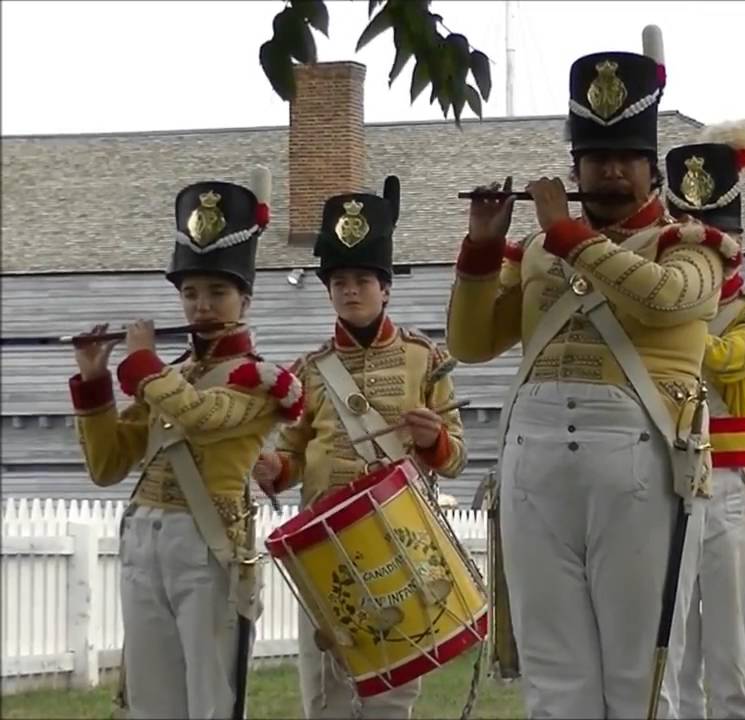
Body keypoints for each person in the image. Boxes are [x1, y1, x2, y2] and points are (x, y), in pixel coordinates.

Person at [447, 25, 740, 719]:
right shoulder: (539, 249)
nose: (610, 172)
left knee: (641, 680)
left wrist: (569, 236)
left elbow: (667, 296)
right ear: (574, 166)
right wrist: (482, 252)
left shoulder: (691, 245)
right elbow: (470, 341)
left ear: (652, 167)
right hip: (535, 456)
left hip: (638, 455)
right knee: (557, 682)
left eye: (626, 158)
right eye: (596, 157)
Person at [69, 168, 304, 718]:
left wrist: (144, 363)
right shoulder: (169, 375)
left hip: (208, 543)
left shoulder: (259, 379)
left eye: (218, 292)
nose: (202, 306)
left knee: (210, 698)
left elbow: (201, 416)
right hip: (144, 539)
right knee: (151, 700)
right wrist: (95, 382)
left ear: (244, 300)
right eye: (191, 293)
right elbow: (107, 465)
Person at [252, 177, 467, 720]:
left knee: (394, 692)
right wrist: (274, 467)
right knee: (326, 693)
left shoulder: (425, 357)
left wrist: (432, 439)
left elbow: (458, 455)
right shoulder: (308, 370)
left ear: (386, 287)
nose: (351, 290)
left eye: (363, 280)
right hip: (325, 543)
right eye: (340, 281)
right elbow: (294, 457)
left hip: (401, 539)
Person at [664, 120, 745, 720]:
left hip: (727, 482)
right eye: (690, 239)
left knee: (728, 654)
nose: (705, 249)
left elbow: (721, 361)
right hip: (662, 478)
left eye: (716, 235)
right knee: (667, 653)